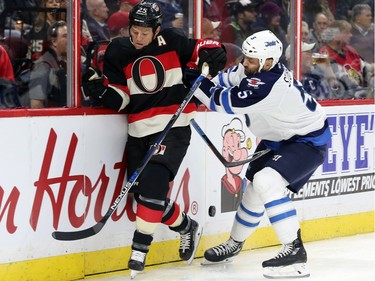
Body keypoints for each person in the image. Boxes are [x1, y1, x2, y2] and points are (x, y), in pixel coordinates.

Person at [81, 1, 227, 277]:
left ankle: (138, 253)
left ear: (156, 29)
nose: (137, 38)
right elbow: (121, 99)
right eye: (133, 31)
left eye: (143, 33)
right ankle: (186, 226)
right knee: (146, 198)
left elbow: (206, 47)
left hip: (173, 127)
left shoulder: (172, 40)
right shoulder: (118, 50)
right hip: (138, 131)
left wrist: (214, 55)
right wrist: (98, 89)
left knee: (154, 184)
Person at [194, 30, 331, 279]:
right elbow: (225, 80)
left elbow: (218, 101)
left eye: (251, 60)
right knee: (255, 190)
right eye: (245, 57)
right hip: (279, 138)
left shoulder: (267, 85)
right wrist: (204, 76)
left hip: (307, 141)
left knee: (267, 181)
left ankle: (295, 252)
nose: (245, 63)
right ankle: (234, 243)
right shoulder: (254, 68)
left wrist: (193, 81)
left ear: (268, 61)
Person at [319, 20, 374, 98]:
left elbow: (365, 67)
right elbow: (334, 83)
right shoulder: (321, 54)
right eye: (347, 32)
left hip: (360, 93)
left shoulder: (350, 49)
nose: (350, 35)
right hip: (341, 98)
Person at [28, 20, 67, 108]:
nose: (71, 39)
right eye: (65, 36)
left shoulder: (64, 63)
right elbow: (36, 103)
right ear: (54, 41)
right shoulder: (43, 65)